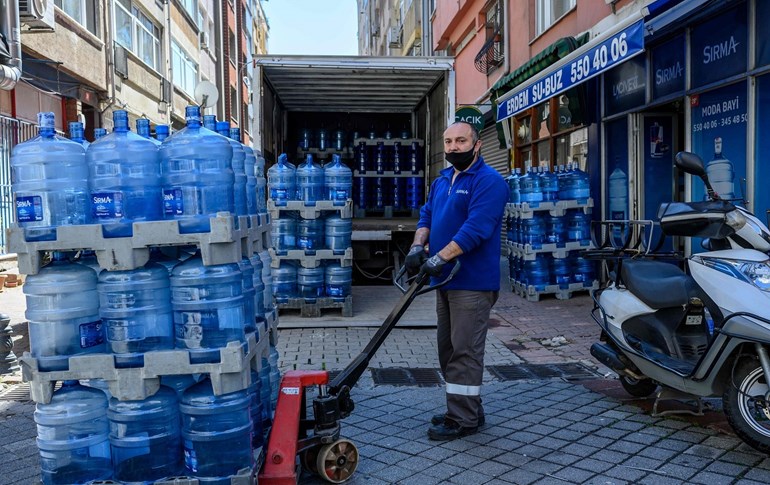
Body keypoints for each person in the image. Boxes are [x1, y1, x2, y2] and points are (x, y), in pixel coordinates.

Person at [405, 120, 508, 441]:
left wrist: (439, 257)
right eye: (448, 141)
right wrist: (417, 247)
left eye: (460, 141)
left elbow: (477, 228)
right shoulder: (443, 179)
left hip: (472, 283)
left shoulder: (490, 182)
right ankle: (467, 408)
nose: (453, 147)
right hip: (446, 281)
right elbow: (426, 216)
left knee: (465, 350)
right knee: (448, 349)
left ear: (477, 145)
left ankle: (462, 419)